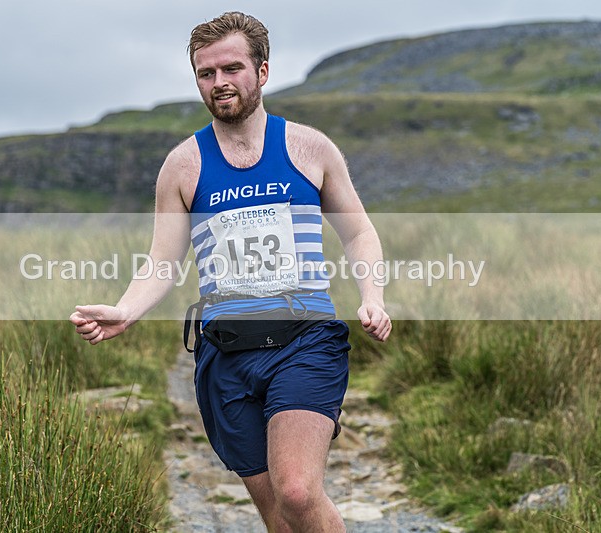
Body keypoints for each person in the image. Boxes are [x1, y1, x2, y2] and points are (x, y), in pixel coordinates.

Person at [70, 11, 391, 532]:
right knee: (278, 515)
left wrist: (372, 296)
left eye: (232, 68)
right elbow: (163, 261)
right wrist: (125, 310)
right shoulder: (183, 166)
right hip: (226, 356)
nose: (219, 83)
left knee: (296, 491)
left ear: (262, 71)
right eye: (205, 73)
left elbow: (359, 232)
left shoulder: (309, 149)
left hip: (304, 342)